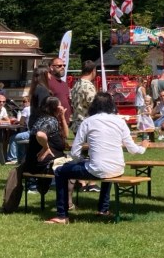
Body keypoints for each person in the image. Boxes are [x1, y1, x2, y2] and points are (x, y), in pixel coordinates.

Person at [45, 92, 148, 223]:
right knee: (106, 171)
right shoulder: (120, 121)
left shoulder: (87, 122)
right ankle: (103, 209)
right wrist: (143, 147)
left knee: (60, 171)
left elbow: (75, 152)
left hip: (98, 168)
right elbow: (132, 149)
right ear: (111, 105)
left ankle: (62, 215)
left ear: (93, 106)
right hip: (118, 168)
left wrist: (81, 161)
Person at [0, 96, 68, 213]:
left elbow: (65, 135)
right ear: (55, 108)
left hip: (32, 163)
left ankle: (47, 190)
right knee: (72, 168)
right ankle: (68, 203)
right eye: (60, 105)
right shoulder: (50, 121)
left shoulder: (43, 119)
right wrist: (46, 148)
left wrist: (62, 117)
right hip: (43, 165)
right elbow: (41, 134)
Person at [69, 60, 98, 133]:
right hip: (86, 125)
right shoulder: (88, 86)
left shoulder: (77, 84)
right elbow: (94, 105)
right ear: (93, 70)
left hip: (76, 124)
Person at [47, 57, 72, 128]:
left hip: (65, 122)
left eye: (64, 65)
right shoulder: (47, 82)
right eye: (59, 66)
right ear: (51, 67)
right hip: (53, 122)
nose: (63, 67)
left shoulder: (64, 84)